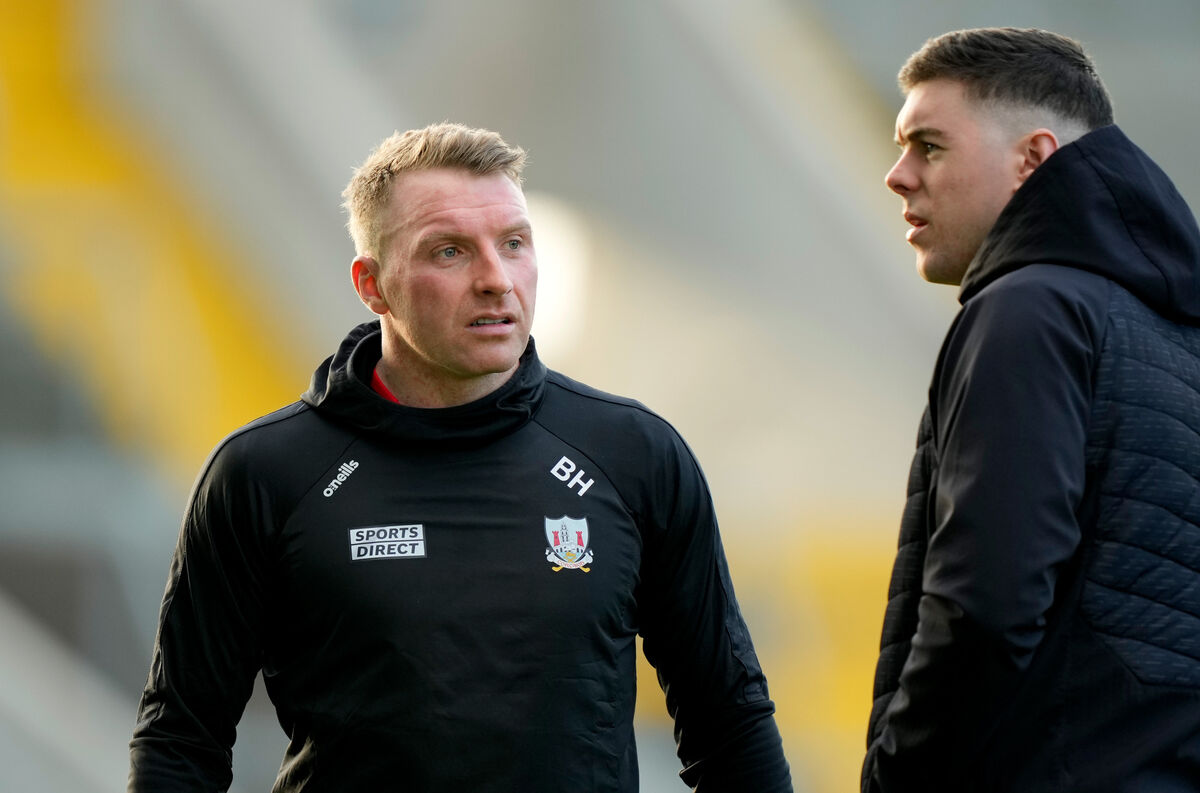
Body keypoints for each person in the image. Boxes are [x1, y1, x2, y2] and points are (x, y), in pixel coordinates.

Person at [127, 122, 792, 792]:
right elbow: (181, 738)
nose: (496, 280)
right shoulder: (265, 474)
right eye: (450, 252)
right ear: (372, 284)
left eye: (515, 244)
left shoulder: (635, 455)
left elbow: (729, 725)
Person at [862, 27, 1200, 792]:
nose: (897, 176)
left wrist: (898, 773)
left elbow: (987, 607)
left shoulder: (1030, 309)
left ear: (1034, 159)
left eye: (930, 146)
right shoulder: (1170, 329)